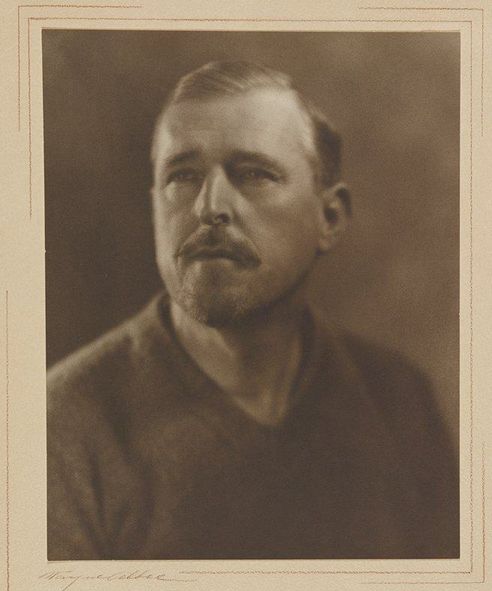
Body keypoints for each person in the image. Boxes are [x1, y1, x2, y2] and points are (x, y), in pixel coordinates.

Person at [47, 61, 459, 560]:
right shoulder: (60, 428)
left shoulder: (399, 401)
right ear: (155, 206)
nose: (209, 207)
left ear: (329, 218)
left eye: (253, 174)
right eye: (183, 175)